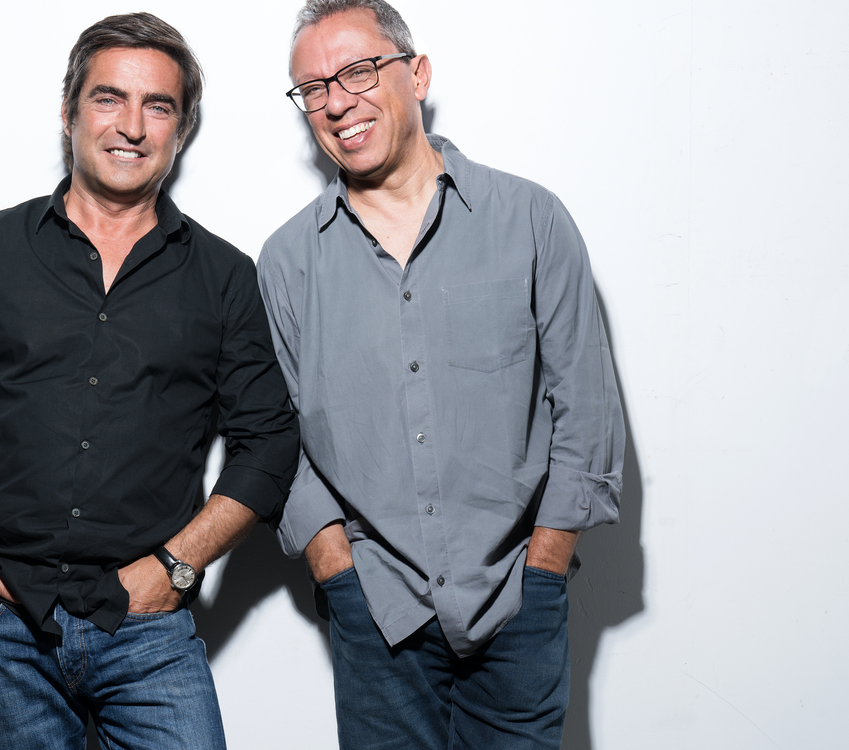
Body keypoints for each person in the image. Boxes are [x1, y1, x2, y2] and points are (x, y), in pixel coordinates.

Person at [0, 12, 298, 750]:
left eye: (157, 106)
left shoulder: (226, 276)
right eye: (109, 98)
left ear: (182, 129)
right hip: (2, 624)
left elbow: (268, 443)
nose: (131, 126)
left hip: (148, 624)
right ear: (69, 111)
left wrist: (177, 566)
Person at [257, 1, 624, 748]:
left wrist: (545, 568)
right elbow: (277, 434)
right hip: (377, 614)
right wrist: (337, 571)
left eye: (359, 72)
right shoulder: (287, 262)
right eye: (313, 88)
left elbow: (585, 411)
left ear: (417, 74)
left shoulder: (531, 219)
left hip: (519, 601)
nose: (336, 103)